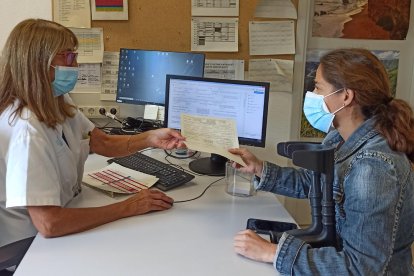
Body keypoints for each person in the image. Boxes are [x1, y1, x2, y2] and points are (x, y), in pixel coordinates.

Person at [0, 19, 185, 250]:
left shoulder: (56, 100)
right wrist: (128, 207)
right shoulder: (26, 130)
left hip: (65, 213)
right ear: (38, 63)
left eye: (74, 55)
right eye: (67, 56)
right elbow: (49, 224)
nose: (75, 65)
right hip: (28, 243)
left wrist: (150, 138)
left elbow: (102, 142)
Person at [230, 48, 414, 275]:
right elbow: (315, 184)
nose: (312, 94)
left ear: (346, 96)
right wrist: (259, 168)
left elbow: (362, 268)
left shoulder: (373, 168)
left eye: (318, 87)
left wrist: (273, 252)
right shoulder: (339, 137)